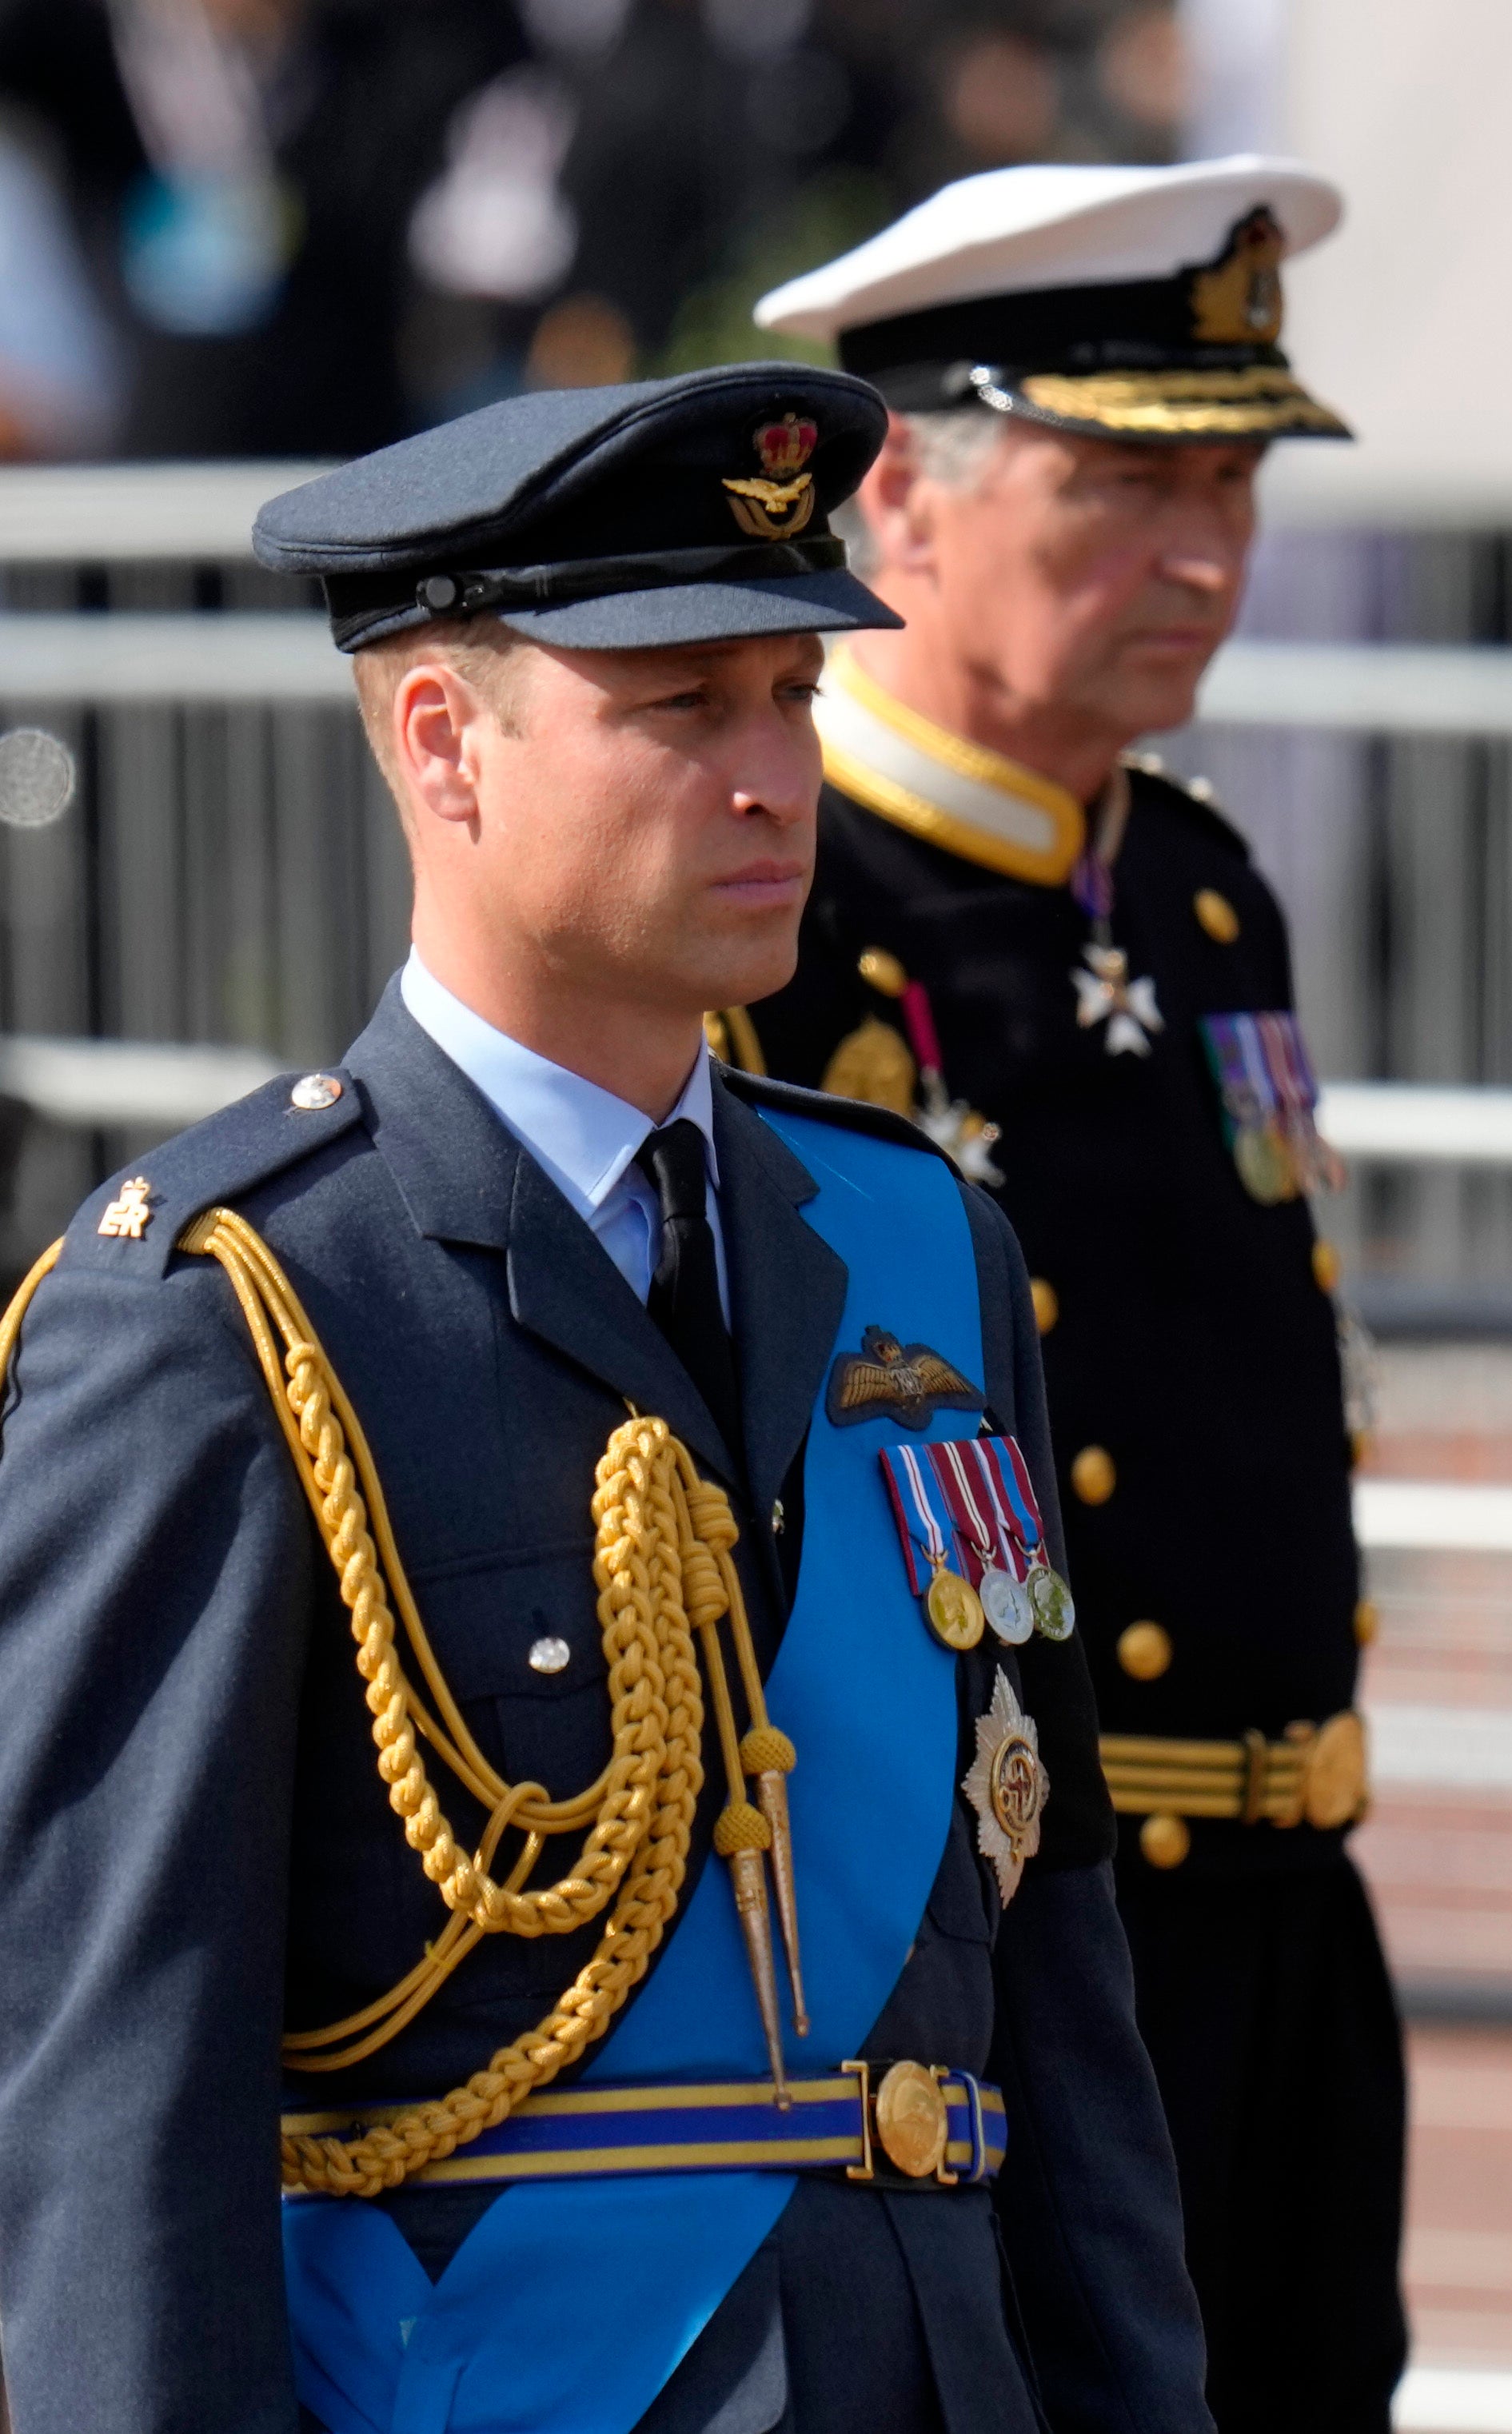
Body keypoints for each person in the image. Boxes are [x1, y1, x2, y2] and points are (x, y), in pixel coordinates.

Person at [0, 364, 1207, 2433]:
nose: (770, 780)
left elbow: (1052, 1978)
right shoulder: (234, 1307)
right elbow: (121, 2093)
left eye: (790, 701)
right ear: (445, 743)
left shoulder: (923, 1244)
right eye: (680, 710)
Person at [732, 158, 1404, 2429]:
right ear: (900, 497)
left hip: (1291, 1909)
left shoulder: (1198, 894)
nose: (1207, 555)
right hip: (999, 1956)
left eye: (1232, 483)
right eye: (1129, 483)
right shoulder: (784, 925)